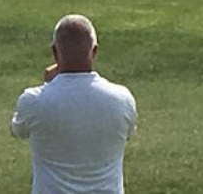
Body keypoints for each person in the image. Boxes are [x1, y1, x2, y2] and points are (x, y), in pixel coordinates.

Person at [10, 14, 137, 194]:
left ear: (55, 52)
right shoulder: (122, 99)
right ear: (94, 52)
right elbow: (128, 133)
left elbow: (18, 130)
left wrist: (49, 85)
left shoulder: (33, 101)